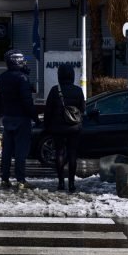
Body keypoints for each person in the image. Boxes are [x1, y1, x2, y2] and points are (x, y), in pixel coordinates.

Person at [0, 49, 39, 190]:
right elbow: (27, 101)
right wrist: (35, 117)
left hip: (7, 117)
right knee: (21, 151)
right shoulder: (22, 78)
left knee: (7, 151)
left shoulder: (2, 77)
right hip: (22, 118)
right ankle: (21, 180)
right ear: (18, 61)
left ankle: (4, 178)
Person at [44, 64, 86, 192]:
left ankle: (61, 182)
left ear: (60, 75)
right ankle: (72, 184)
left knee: (59, 153)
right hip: (74, 127)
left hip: (58, 128)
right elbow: (82, 109)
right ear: (72, 75)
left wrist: (47, 125)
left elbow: (48, 110)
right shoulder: (78, 90)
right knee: (72, 154)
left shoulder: (55, 90)